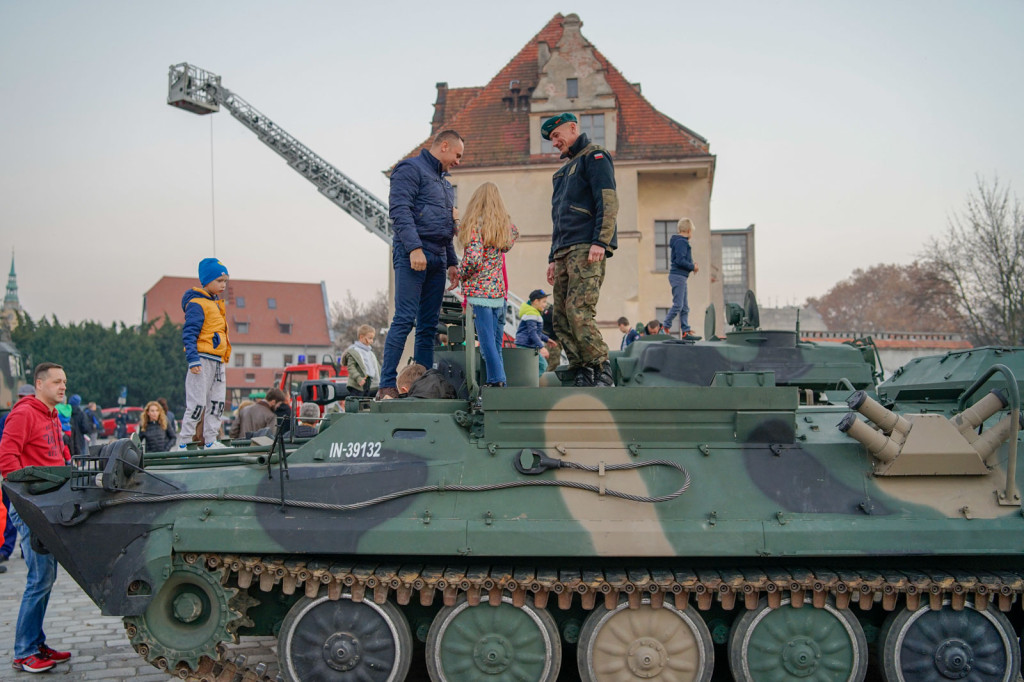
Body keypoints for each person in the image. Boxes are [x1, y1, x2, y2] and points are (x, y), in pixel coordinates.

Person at [377, 130, 465, 400]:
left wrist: (452, 262)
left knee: (428, 326)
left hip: (438, 257)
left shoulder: (445, 185)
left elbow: (446, 228)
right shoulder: (410, 169)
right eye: (457, 155)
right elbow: (399, 210)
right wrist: (414, 248)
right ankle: (386, 384)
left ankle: (424, 385)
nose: (458, 161)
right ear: (444, 146)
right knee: (404, 319)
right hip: (413, 254)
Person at [0, 363, 73, 673]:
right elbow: (7, 458)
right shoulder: (24, 413)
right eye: (56, 382)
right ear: (39, 384)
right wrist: (24, 501)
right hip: (31, 507)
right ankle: (24, 652)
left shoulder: (52, 415)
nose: (62, 386)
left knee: (46, 577)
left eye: (64, 382)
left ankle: (36, 642)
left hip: (49, 504)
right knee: (39, 578)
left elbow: (56, 455)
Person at [542, 112, 618, 387]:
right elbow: (558, 219)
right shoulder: (563, 172)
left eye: (556, 135)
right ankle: (582, 369)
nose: (554, 142)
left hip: (586, 247)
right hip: (563, 251)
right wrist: (552, 257)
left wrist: (601, 241)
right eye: (551, 139)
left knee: (579, 310)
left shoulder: (594, 157)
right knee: (560, 318)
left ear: (573, 128)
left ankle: (602, 368)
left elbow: (607, 201)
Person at [456, 182, 519, 387]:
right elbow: (513, 233)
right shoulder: (502, 230)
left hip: (480, 294)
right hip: (499, 295)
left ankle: (496, 380)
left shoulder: (476, 228)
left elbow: (473, 260)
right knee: (495, 344)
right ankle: (500, 383)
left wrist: (460, 274)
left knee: (487, 343)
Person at [176, 258, 231, 450]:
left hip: (218, 360)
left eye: (225, 281)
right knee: (197, 403)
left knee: (217, 402)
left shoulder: (215, 304)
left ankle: (210, 440)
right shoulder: (197, 304)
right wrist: (192, 359)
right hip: (202, 359)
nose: (223, 285)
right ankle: (184, 442)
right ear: (207, 280)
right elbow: (189, 332)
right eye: (219, 281)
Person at [0, 384, 33, 569]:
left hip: (18, 475)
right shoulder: (15, 417)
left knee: (11, 513)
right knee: (13, 513)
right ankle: (12, 548)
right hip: (18, 475)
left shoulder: (8, 417)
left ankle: (9, 548)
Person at [661, 217, 702, 339]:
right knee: (678, 304)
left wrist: (691, 266)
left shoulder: (680, 242)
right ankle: (665, 326)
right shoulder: (681, 242)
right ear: (689, 231)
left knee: (685, 306)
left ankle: (685, 330)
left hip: (681, 277)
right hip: (678, 276)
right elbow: (680, 260)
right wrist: (692, 267)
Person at [516, 289, 553, 375]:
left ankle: (531, 380)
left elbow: (536, 332)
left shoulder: (535, 313)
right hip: (526, 345)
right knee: (542, 365)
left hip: (531, 345)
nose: (545, 304)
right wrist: (541, 347)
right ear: (536, 301)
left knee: (536, 366)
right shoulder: (531, 314)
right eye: (544, 302)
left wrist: (547, 339)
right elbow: (532, 333)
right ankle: (530, 381)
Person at [341, 325, 380, 397]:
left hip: (368, 382)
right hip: (357, 384)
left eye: (372, 338)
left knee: (367, 401)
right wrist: (358, 378)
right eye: (369, 338)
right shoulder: (354, 351)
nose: (372, 341)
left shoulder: (370, 353)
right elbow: (351, 367)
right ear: (361, 337)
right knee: (358, 400)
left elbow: (376, 367)